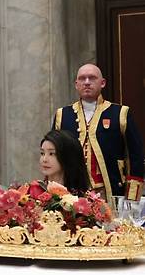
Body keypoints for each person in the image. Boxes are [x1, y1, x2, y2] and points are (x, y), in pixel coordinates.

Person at [53, 63, 145, 200]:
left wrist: (132, 197)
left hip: (109, 191)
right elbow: (53, 154)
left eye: (92, 78)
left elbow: (135, 156)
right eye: (82, 79)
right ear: (76, 84)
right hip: (72, 193)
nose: (87, 82)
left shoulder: (120, 113)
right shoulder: (63, 115)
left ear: (102, 83)